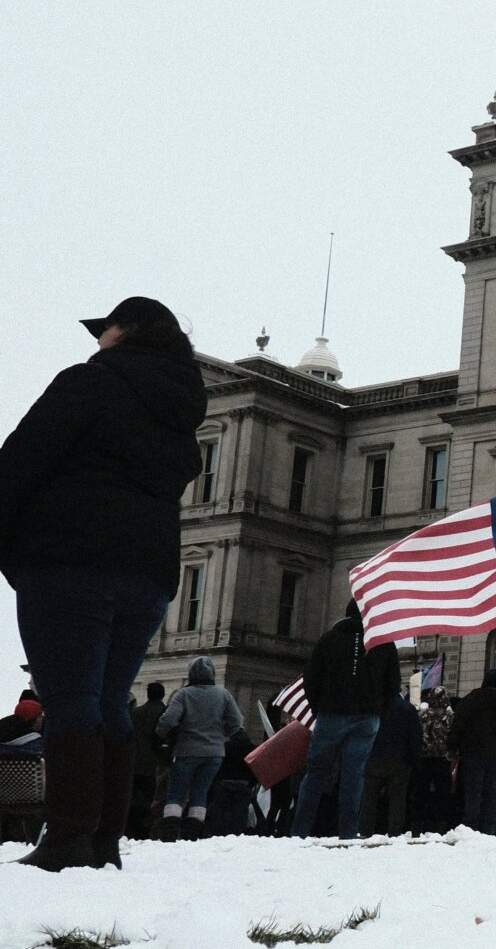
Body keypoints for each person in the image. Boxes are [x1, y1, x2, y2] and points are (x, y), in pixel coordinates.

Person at [0, 296, 207, 871]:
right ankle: (101, 842)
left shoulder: (89, 382)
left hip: (70, 559)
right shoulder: (179, 414)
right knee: (110, 701)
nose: (98, 339)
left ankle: (66, 838)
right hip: (148, 572)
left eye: (105, 328)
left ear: (128, 331)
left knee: (69, 701)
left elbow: (20, 459)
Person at [293, 601, 400, 840]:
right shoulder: (382, 643)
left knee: (316, 773)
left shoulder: (328, 639)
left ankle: (299, 831)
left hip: (331, 714)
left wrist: (319, 707)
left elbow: (310, 679)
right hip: (366, 718)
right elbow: (393, 686)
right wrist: (377, 710)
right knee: (354, 775)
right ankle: (348, 832)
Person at [155, 656, 245, 843]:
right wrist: (221, 734)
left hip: (186, 751)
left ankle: (170, 833)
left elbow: (169, 720)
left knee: (176, 794)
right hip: (214, 754)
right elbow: (237, 722)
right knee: (201, 792)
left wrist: (161, 734)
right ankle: (192, 834)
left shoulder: (183, 695)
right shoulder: (224, 695)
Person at [450, 670, 496, 833]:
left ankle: (471, 827)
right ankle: (489, 828)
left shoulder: (471, 700)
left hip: (472, 752)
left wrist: (453, 746)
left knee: (473, 792)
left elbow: (458, 725)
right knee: (492, 792)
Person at [360, 688, 422, 837]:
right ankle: (394, 831)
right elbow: (415, 737)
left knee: (369, 798)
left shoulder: (373, 706)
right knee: (397, 799)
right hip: (400, 760)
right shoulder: (408, 709)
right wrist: (414, 761)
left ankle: (365, 830)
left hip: (374, 757)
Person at [128, 683, 168, 839]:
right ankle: (147, 830)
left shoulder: (135, 713)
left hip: (135, 761)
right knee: (153, 797)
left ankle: (132, 829)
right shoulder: (164, 713)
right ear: (163, 695)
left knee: (134, 797)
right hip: (155, 762)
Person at [413, 688, 455, 833]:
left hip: (424, 760)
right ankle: (441, 825)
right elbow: (454, 737)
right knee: (443, 794)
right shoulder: (450, 717)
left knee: (421, 793)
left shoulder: (423, 715)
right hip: (443, 760)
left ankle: (418, 825)